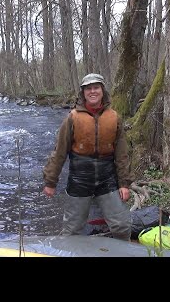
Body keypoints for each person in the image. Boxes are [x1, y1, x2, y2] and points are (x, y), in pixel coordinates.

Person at [42, 73, 133, 241]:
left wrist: (124, 184)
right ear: (83, 93)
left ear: (103, 91)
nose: (93, 91)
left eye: (96, 88)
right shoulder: (72, 117)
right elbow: (59, 152)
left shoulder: (114, 117)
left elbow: (122, 154)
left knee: (122, 225)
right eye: (88, 89)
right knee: (72, 229)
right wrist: (50, 181)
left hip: (107, 179)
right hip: (79, 179)